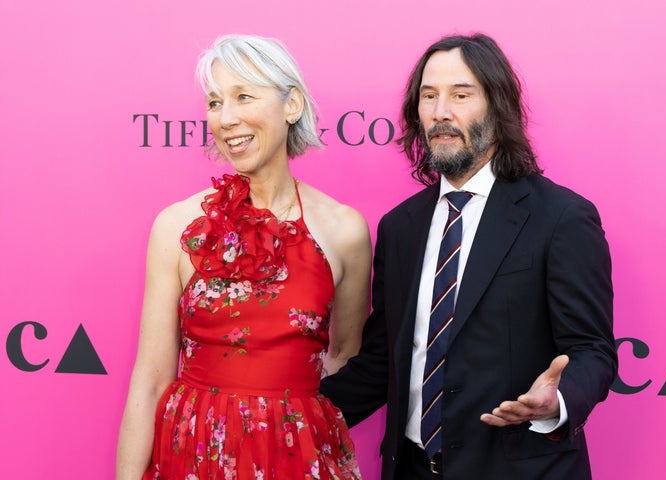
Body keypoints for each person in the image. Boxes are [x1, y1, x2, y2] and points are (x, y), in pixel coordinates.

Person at [320, 33, 617, 479]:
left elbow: (593, 350)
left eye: (461, 95)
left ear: (498, 107)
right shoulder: (400, 227)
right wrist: (285, 413)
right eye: (429, 96)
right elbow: (385, 361)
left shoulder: (561, 218)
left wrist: (557, 400)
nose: (441, 111)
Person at [117, 34, 371, 480]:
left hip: (297, 455)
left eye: (243, 96)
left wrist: (290, 424)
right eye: (215, 103)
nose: (226, 118)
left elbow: (344, 355)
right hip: (196, 452)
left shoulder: (344, 229)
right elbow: (151, 377)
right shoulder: (177, 226)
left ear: (291, 105)